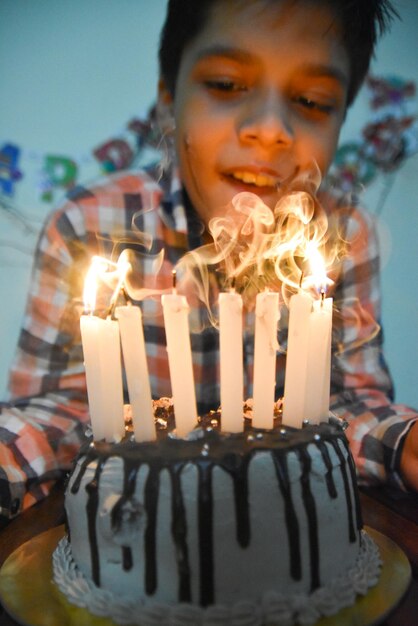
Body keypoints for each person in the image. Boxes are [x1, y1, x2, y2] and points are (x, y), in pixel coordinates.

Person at [1, 0, 417, 525]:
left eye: (312, 100)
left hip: (285, 531)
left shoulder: (344, 235)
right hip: (136, 534)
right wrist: (9, 458)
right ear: (168, 99)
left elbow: (349, 404)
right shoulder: (89, 225)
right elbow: (60, 406)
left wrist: (402, 442)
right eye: (225, 84)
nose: (269, 129)